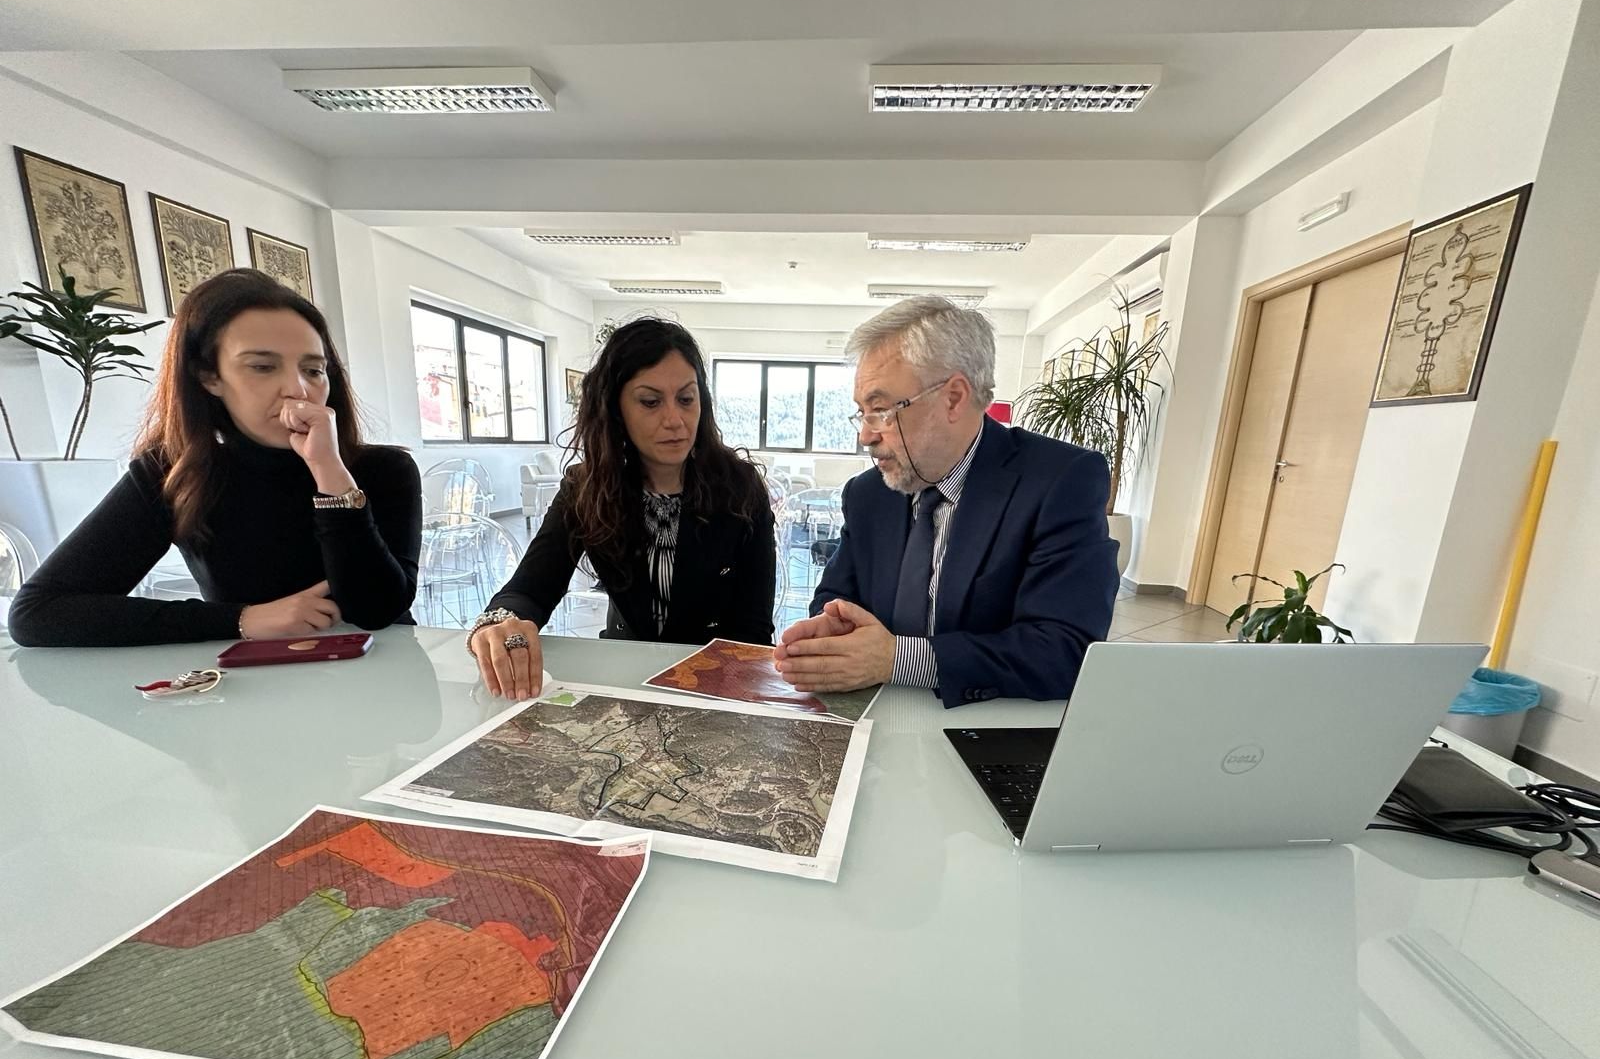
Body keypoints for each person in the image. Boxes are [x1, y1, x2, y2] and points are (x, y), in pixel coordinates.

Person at [9, 268, 421, 647]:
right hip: (251, 688)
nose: (297, 390)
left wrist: (329, 473)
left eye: (313, 370)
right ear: (209, 377)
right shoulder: (175, 474)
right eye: (262, 366)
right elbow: (38, 613)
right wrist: (242, 620)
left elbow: (378, 610)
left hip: (381, 676)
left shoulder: (384, 471)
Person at [774, 295, 1118, 706]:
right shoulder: (868, 495)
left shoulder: (1059, 481)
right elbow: (834, 598)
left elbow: (1067, 651)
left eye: (881, 410)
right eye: (862, 413)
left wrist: (898, 660)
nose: (865, 435)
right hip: (878, 720)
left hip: (989, 729)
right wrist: (832, 635)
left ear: (954, 397)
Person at [469, 318, 775, 699]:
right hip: (624, 676)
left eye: (686, 398)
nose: (675, 420)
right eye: (650, 402)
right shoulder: (588, 488)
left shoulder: (741, 489)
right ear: (615, 410)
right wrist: (500, 623)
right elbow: (531, 588)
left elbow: (754, 630)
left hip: (716, 682)